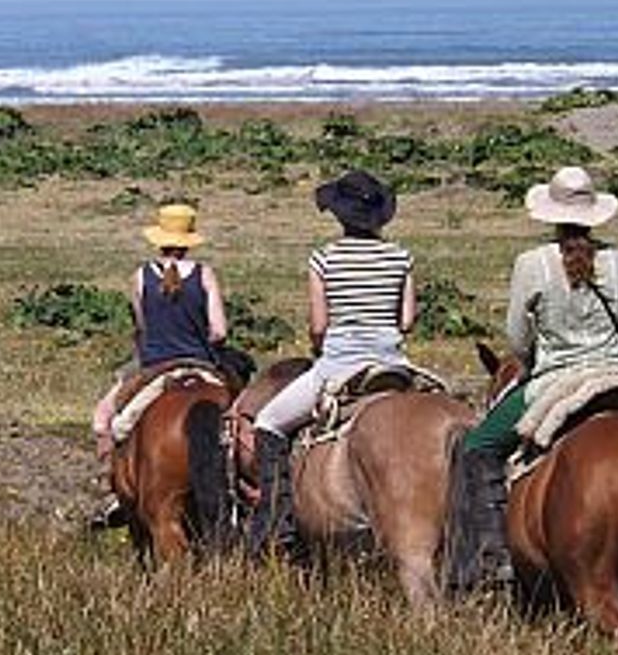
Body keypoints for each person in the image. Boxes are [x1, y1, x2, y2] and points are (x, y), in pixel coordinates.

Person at [448, 165, 618, 592]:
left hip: (556, 378)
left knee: (477, 447)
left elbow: (517, 338)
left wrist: (536, 356)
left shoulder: (533, 263)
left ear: (552, 215)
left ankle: (488, 560)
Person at [248, 169, 416, 558]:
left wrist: (322, 345)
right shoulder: (401, 257)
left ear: (340, 216)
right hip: (394, 365)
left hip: (339, 365)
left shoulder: (323, 258)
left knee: (268, 424)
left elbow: (319, 325)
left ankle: (278, 527)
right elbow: (406, 321)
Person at [89, 203, 228, 528]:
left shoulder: (140, 277)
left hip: (155, 367)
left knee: (109, 421)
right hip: (202, 364)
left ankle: (114, 495)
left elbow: (141, 327)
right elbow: (220, 331)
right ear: (190, 239)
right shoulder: (205, 274)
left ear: (159, 238)